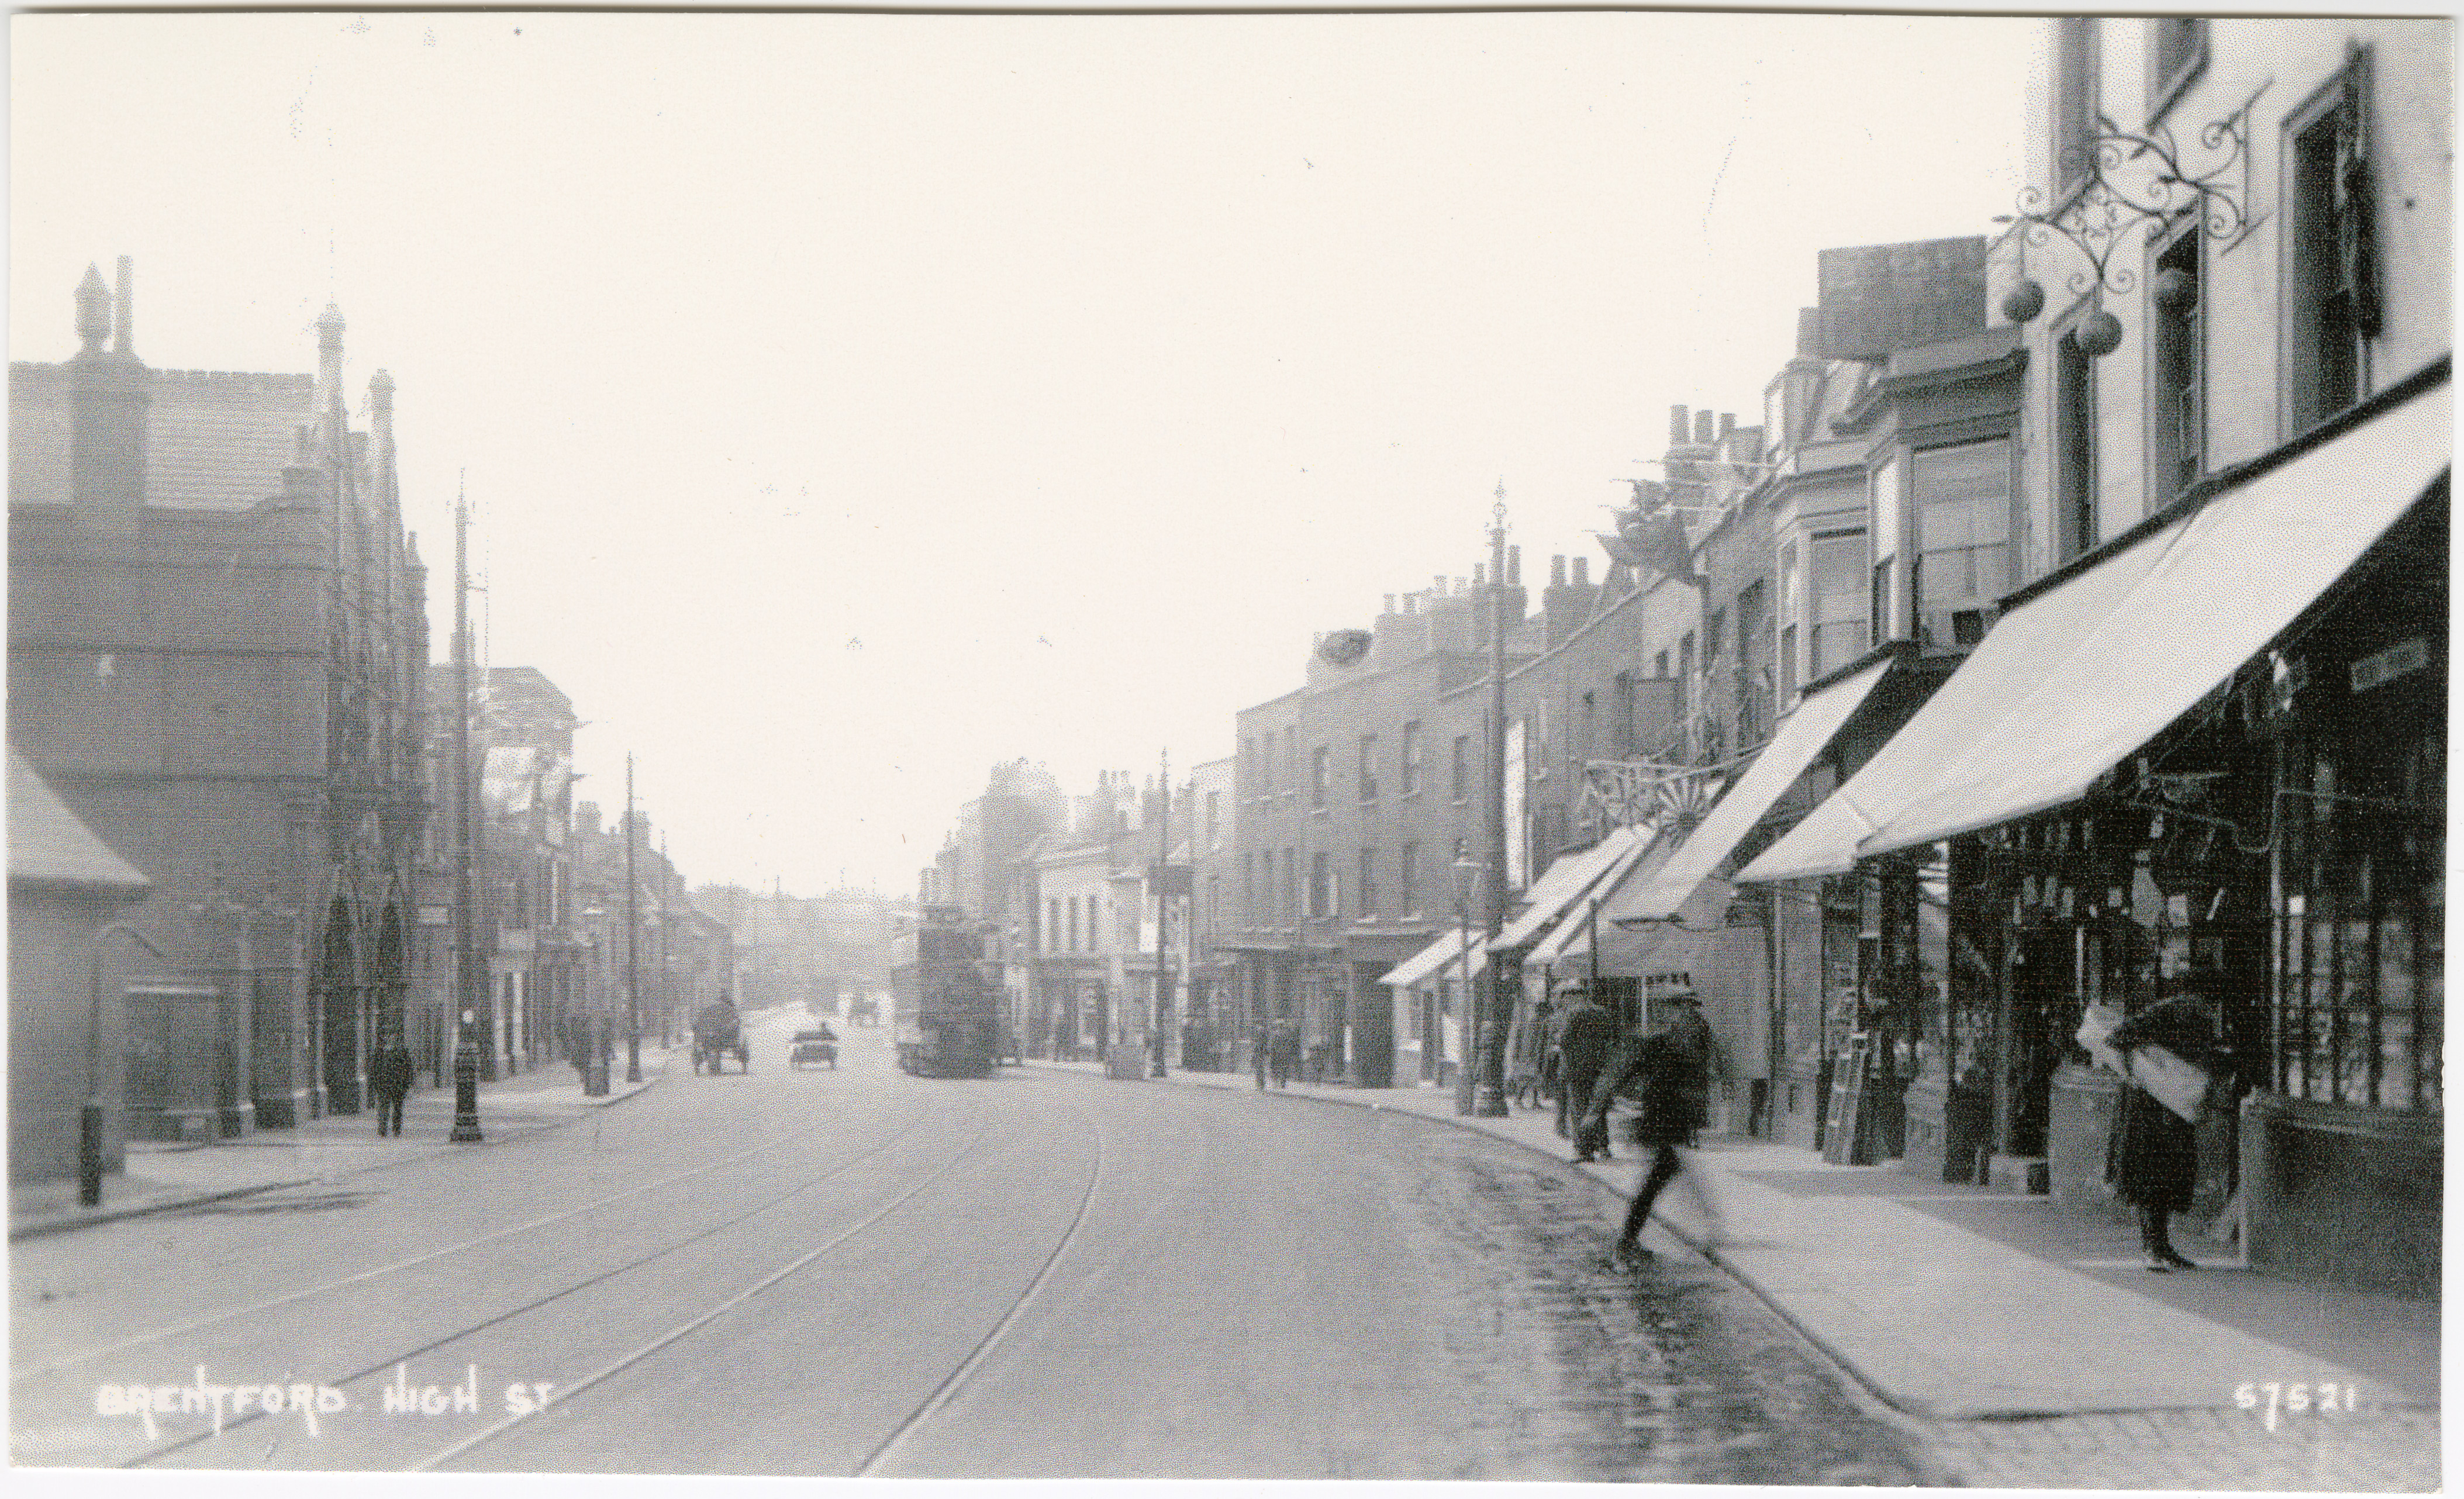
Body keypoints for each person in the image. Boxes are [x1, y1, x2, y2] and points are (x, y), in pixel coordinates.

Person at [1590, 986, 1728, 1265]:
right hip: (1659, 1122)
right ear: (1671, 1010)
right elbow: (1621, 1073)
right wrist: (1596, 1110)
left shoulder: (1696, 1039)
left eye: (1689, 1008)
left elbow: (1706, 1073)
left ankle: (1705, 1229)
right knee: (1656, 1184)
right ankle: (1628, 1242)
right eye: (1680, 1007)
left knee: (1663, 1181)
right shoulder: (1657, 1042)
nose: (1686, 1012)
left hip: (1677, 1121)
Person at [2106, 993, 2221, 1272]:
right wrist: (2136, 1075)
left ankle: (2162, 1247)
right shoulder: (2167, 1011)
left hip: (2173, 1108)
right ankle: (2153, 1248)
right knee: (2151, 1178)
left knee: (2168, 1178)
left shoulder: (2192, 1016)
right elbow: (2115, 1039)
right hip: (2148, 1112)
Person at [1554, 980, 1620, 1164]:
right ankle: (1603, 1147)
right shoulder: (1602, 1012)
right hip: (1599, 1067)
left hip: (1576, 1069)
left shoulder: (1574, 1013)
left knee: (1579, 1108)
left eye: (1565, 997)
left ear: (1573, 996)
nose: (1564, 1001)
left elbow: (1565, 1039)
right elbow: (1614, 1038)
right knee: (1597, 1107)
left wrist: (1557, 1038)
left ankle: (1584, 1151)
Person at [370, 1035, 416, 1138]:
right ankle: (389, 1129)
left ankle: (390, 1128)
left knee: (393, 1108)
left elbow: (408, 1069)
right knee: (389, 1107)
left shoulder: (400, 1052)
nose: (391, 1041)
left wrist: (408, 1083)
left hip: (394, 1085)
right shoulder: (381, 1052)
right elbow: (374, 1069)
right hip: (389, 1085)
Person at [1268, 1018, 1299, 1089]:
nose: (1280, 1027)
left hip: (1282, 1054)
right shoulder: (1277, 1034)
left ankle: (1282, 1083)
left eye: (1281, 1025)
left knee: (1283, 1068)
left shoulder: (1284, 1034)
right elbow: (1273, 1045)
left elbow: (1289, 1044)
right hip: (1277, 1054)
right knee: (1276, 1068)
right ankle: (1277, 1082)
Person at [1251, 1018, 1271, 1090]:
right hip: (1260, 1056)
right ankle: (1260, 1084)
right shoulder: (1261, 1041)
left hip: (1260, 1056)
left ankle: (1261, 1084)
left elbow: (1261, 1049)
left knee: (1260, 1070)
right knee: (1260, 1070)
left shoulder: (1261, 1042)